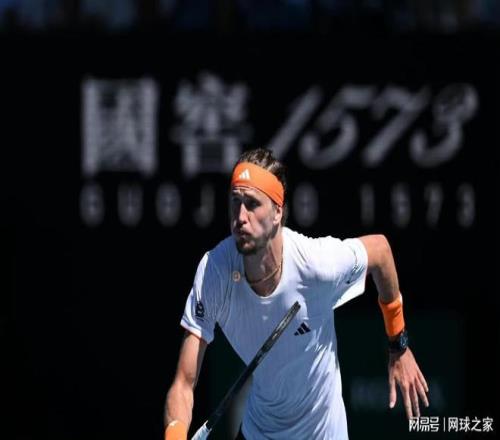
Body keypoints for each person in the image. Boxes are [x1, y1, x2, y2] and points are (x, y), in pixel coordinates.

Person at [164, 148, 429, 440]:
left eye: (252, 204)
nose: (240, 217)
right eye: (235, 202)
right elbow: (183, 383)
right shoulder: (215, 271)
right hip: (259, 433)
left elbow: (380, 251)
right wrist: (175, 433)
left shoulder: (317, 265)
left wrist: (398, 345)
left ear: (277, 212)